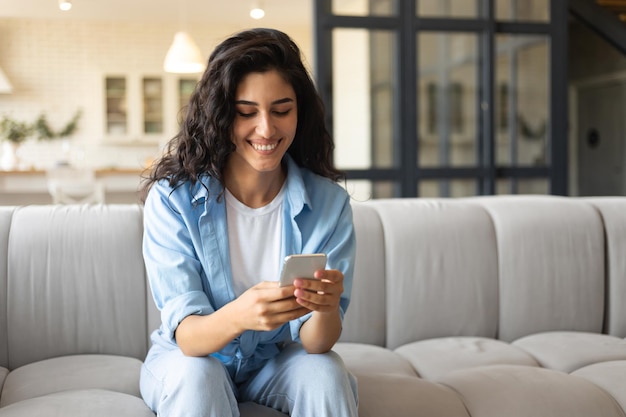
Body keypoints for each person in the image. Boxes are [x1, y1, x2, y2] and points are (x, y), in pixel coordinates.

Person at [139, 28, 358, 417]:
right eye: (246, 112)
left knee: (326, 372)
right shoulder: (173, 201)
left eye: (281, 110)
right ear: (221, 116)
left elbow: (316, 343)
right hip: (191, 358)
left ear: (299, 111)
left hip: (275, 361)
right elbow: (188, 337)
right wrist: (240, 314)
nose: (266, 129)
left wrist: (324, 309)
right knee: (199, 377)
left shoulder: (329, 204)